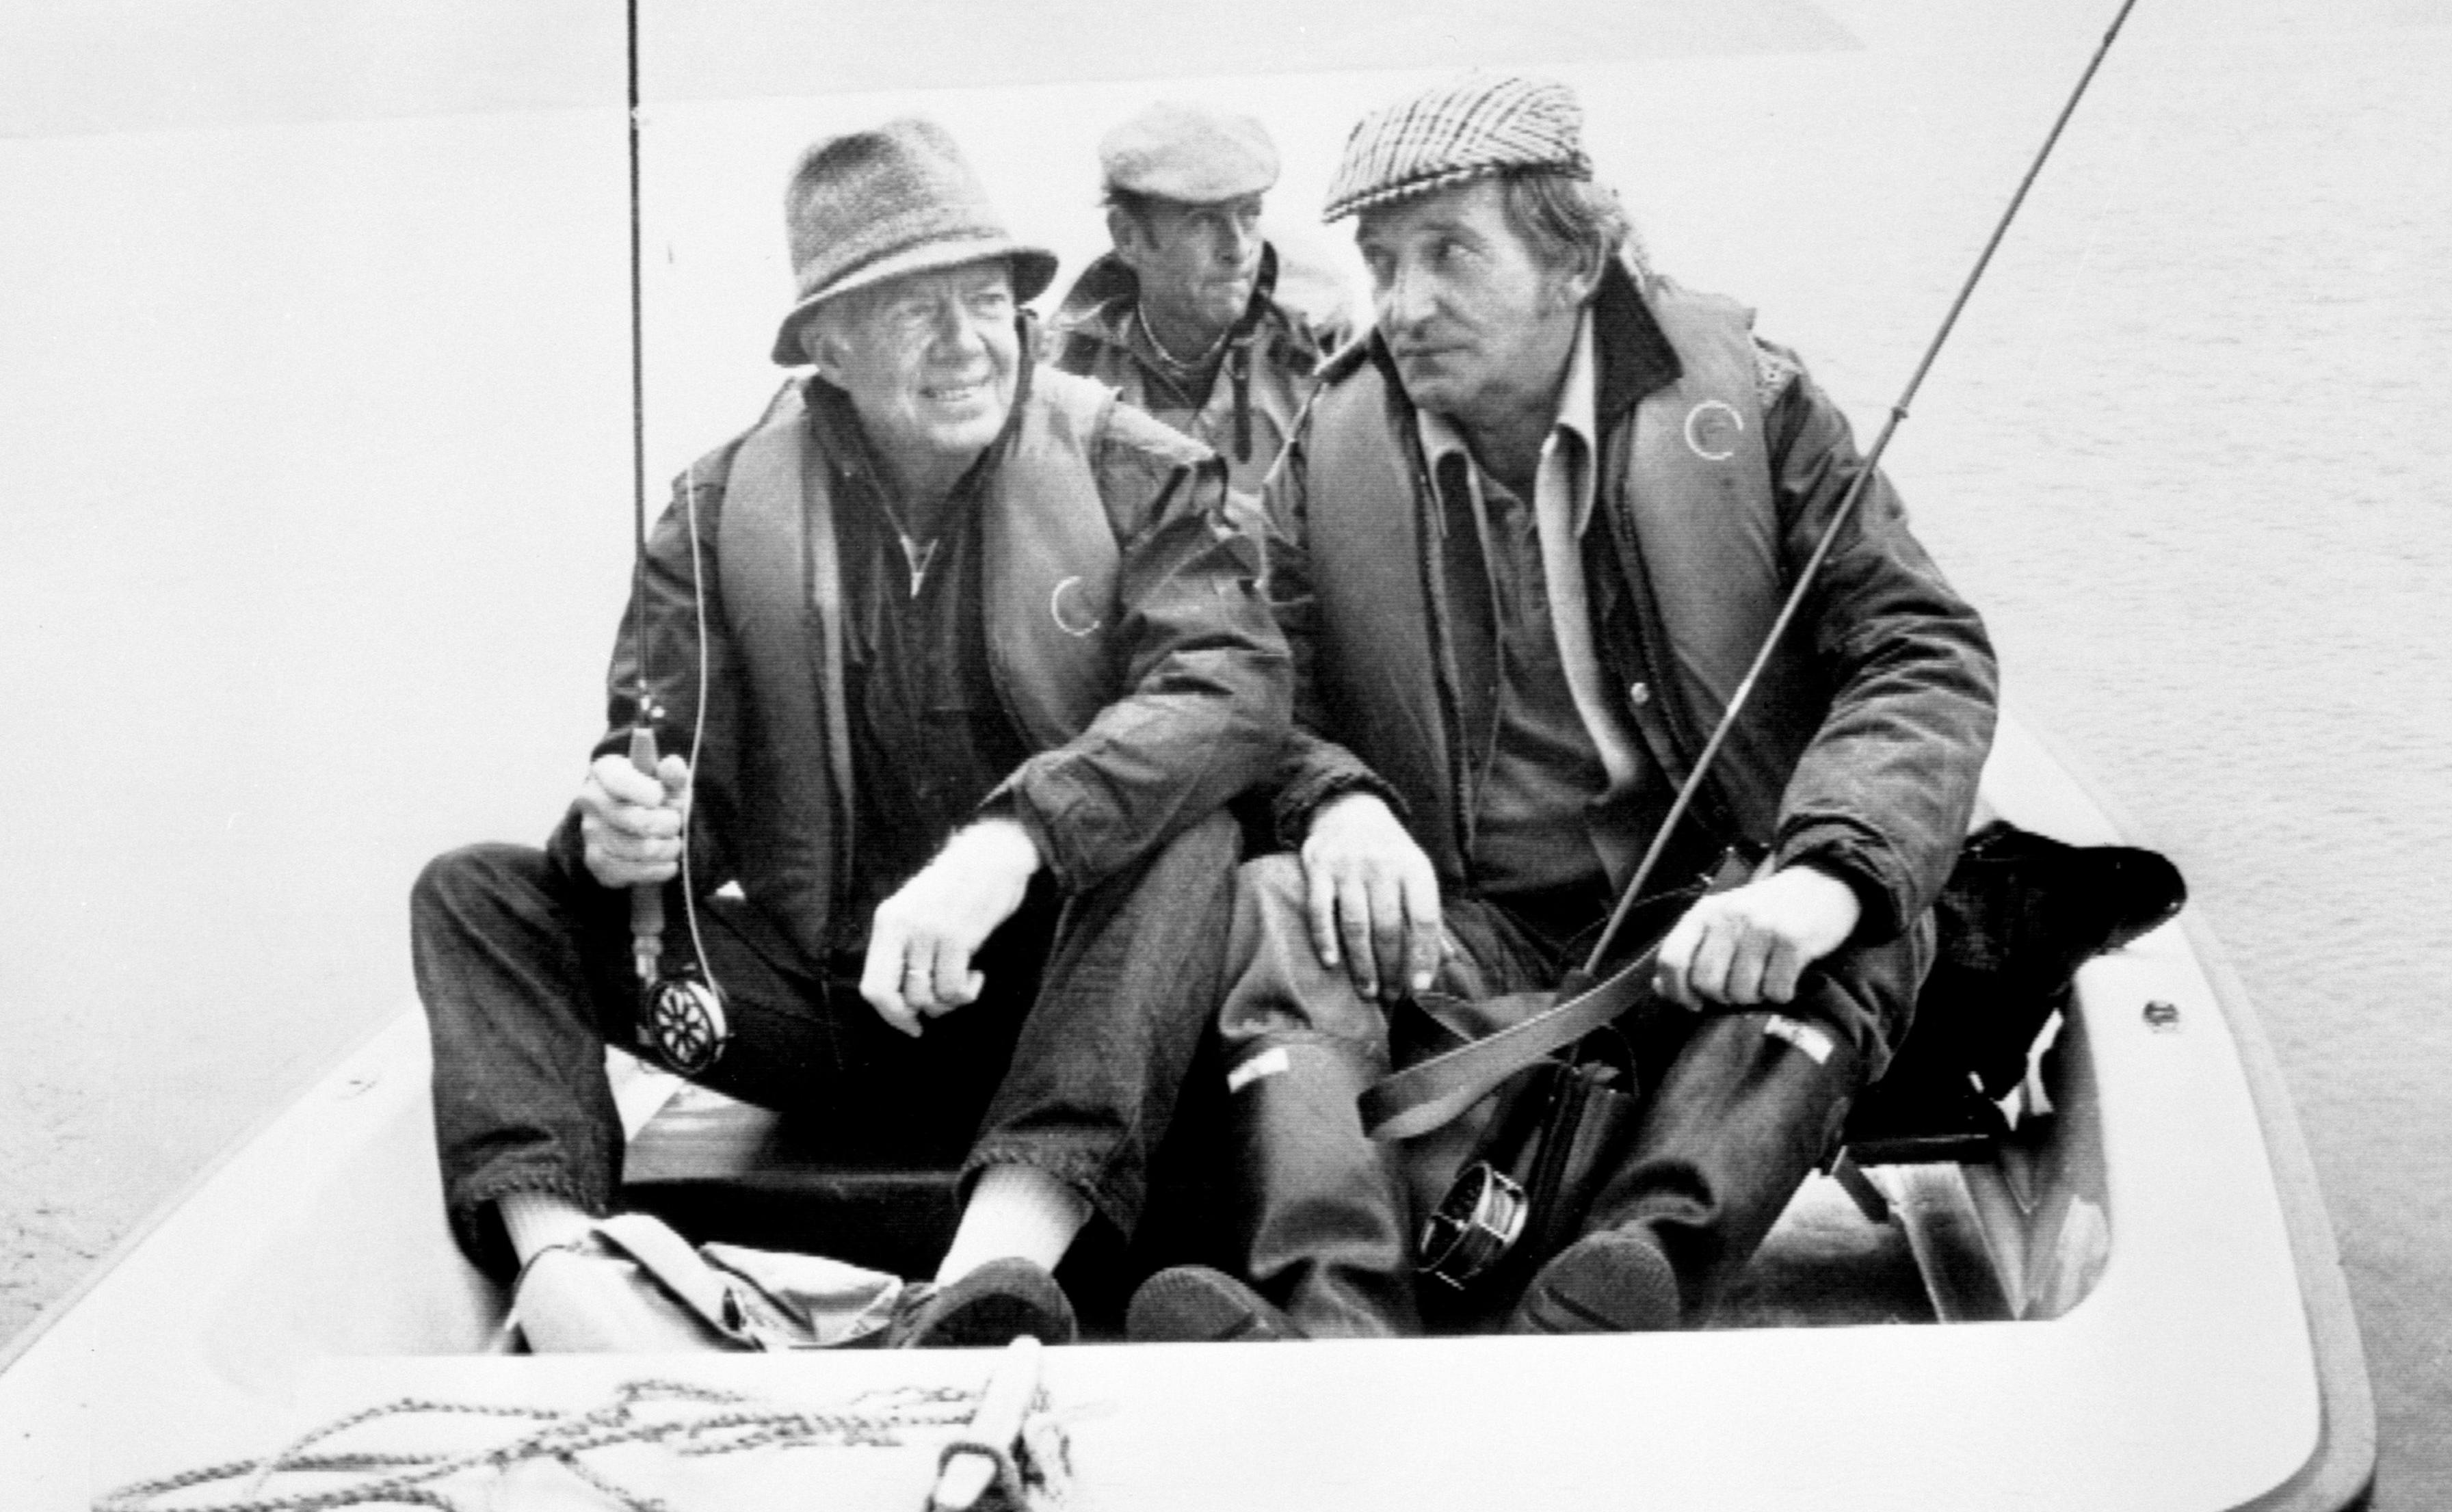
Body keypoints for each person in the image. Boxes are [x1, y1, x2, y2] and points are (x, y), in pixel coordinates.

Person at [1125, 74, 1999, 1342]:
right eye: (1382, 263)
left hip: (1719, 912)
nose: (1404, 306)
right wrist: (1339, 801)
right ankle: (1333, 1318)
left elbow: (1926, 650)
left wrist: (1818, 878)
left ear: (1574, 258)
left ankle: (1624, 1288)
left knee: (1869, 909)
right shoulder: (1333, 445)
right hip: (1466, 924)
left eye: (1449, 255)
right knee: (1274, 904)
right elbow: (1256, 678)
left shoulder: (1757, 406)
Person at [412, 118, 1288, 1351]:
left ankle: (991, 1270)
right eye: (912, 311)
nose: (966, 343)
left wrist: (1013, 841)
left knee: (1193, 836)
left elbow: (1234, 686)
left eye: (987, 300)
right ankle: (570, 1278)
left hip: (1079, 1013)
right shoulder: (717, 513)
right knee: (477, 898)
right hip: (829, 1016)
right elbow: (663, 766)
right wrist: (616, 829)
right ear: (827, 341)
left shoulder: (1139, 470)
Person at [1042, 101, 1351, 523]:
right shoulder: (1068, 372)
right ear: (1128, 236)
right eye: (1203, 222)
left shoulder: (1323, 349)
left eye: (1250, 214)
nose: (1238, 248)